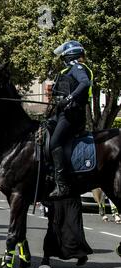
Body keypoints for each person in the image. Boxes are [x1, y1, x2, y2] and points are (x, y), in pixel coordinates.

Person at [49, 40, 93, 199]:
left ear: (70, 55)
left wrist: (68, 98)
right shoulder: (67, 71)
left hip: (73, 115)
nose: (63, 59)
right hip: (63, 113)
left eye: (64, 56)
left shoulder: (78, 68)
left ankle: (62, 184)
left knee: (54, 142)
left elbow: (85, 83)